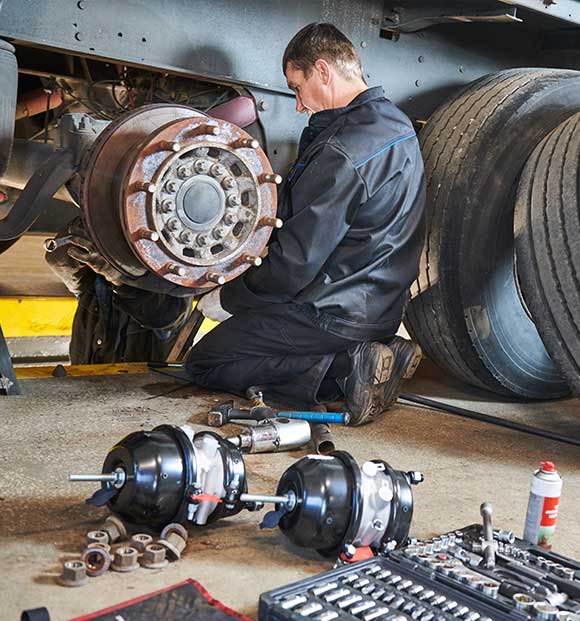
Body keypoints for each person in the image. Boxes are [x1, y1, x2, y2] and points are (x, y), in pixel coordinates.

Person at [185, 23, 426, 425]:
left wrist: (229, 299)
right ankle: (383, 352)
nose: (298, 104)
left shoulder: (341, 150)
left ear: (323, 71)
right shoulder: (397, 126)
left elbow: (294, 265)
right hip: (380, 309)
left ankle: (345, 370)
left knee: (206, 362)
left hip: (334, 313)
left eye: (297, 87)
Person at [46, 217, 192, 364]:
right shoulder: (94, 282)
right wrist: (88, 220)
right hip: (87, 379)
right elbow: (57, 259)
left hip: (140, 384)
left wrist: (119, 278)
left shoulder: (173, 281)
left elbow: (164, 317)